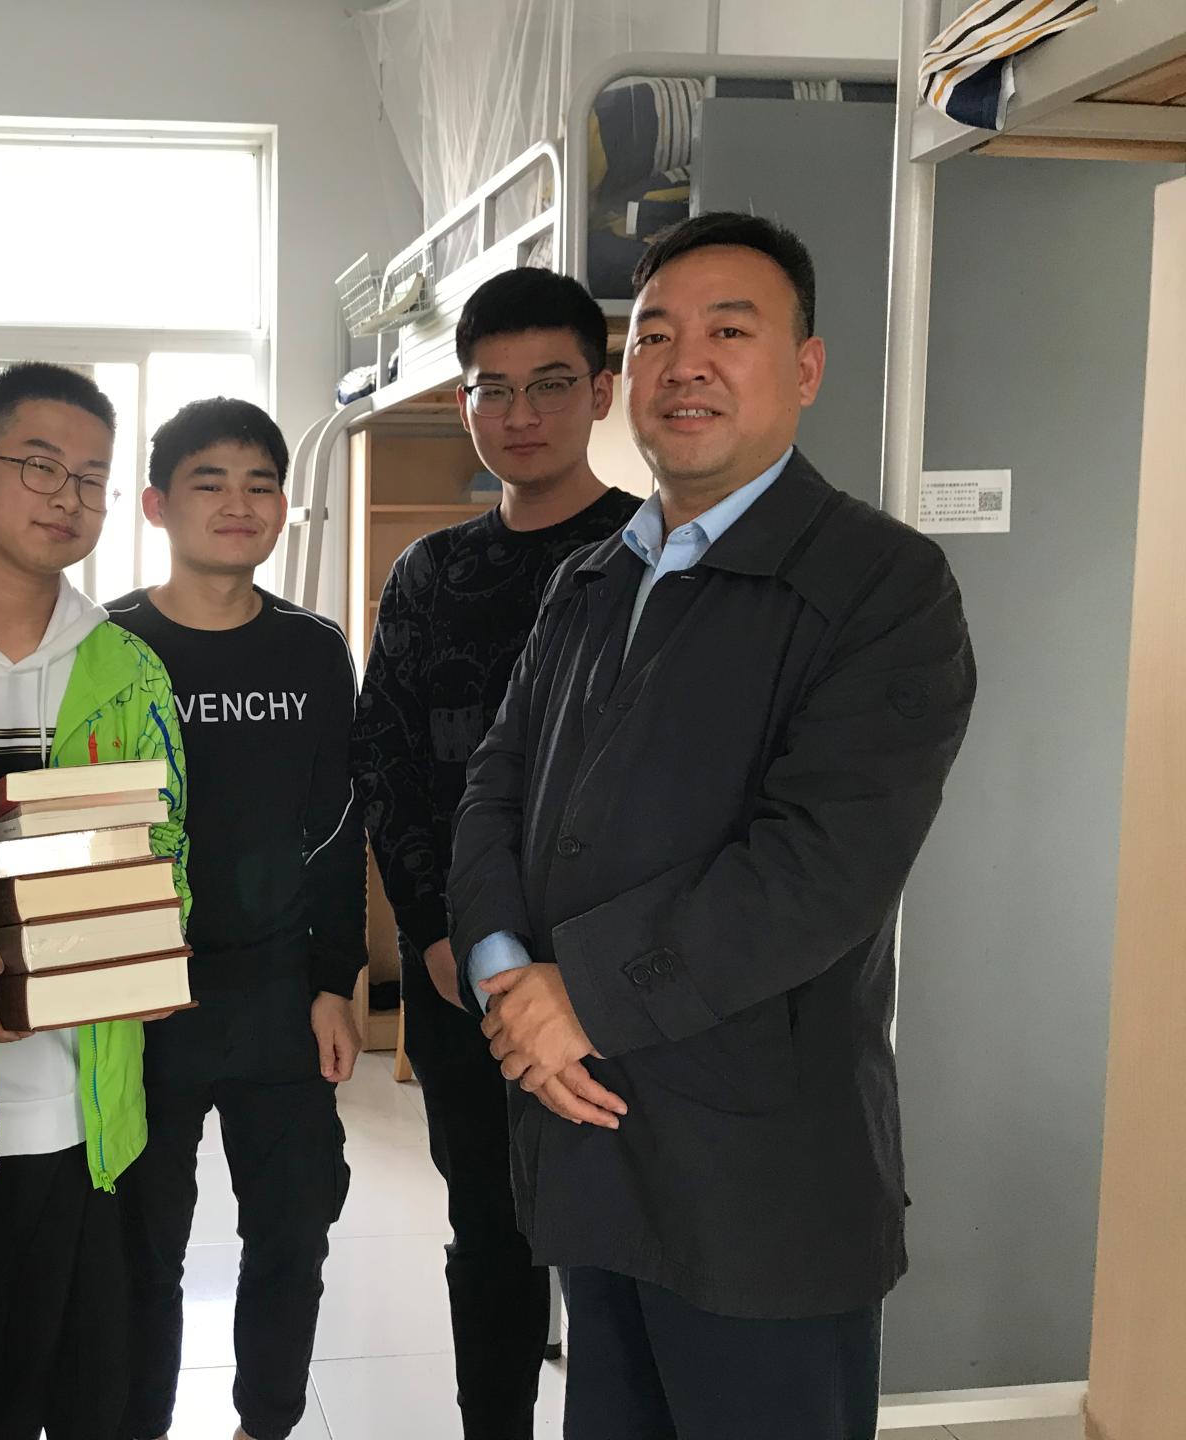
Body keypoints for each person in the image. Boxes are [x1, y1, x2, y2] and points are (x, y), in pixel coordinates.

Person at [448, 212, 977, 1440]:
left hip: (759, 1181)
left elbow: (820, 869)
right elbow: (496, 784)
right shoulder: (591, 583)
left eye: (729, 332)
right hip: (590, 1139)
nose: (685, 363)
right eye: (655, 337)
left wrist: (578, 993)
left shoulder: (881, 588)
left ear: (806, 367)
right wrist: (504, 973)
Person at [351, 267, 640, 1439]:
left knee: (622, 1249)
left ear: (601, 392)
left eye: (551, 384)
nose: (521, 414)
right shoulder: (429, 576)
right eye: (494, 389)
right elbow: (387, 762)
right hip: (459, 981)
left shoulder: (655, 560)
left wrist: (602, 964)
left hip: (618, 982)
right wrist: (431, 934)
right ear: (464, 402)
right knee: (490, 1233)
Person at [0, 361, 191, 1440]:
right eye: (39, 465)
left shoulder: (127, 671)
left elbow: (164, 850)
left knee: (73, 1386)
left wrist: (148, 946)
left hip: (76, 1109)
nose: (66, 496)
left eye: (90, 477)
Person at [106, 398, 367, 1440]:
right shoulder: (108, 645)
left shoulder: (312, 650)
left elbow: (337, 826)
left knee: (293, 1236)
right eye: (209, 482)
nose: (238, 503)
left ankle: (268, 1422)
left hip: (278, 995)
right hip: (145, 1002)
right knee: (140, 1250)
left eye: (261, 484)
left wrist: (335, 982)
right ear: (157, 505)